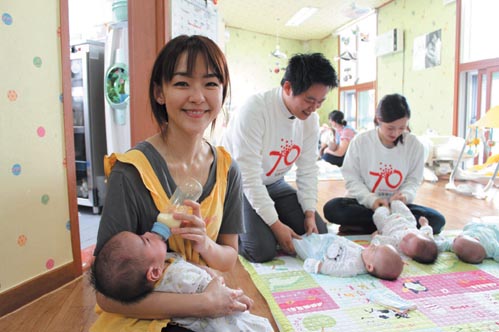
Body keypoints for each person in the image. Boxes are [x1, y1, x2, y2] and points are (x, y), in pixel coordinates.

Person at [91, 35, 251, 332]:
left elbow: (229, 258)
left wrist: (205, 244)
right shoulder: (131, 173)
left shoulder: (228, 170)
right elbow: (107, 295)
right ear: (159, 93)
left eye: (211, 84)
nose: (198, 96)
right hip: (146, 314)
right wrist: (204, 304)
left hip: (202, 293)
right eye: (182, 83)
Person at [220, 53, 338, 263]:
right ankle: (226, 223)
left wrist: (309, 212)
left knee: (318, 231)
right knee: (261, 250)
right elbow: (248, 178)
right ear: (287, 88)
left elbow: (308, 169)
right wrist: (275, 224)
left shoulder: (310, 120)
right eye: (309, 99)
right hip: (238, 185)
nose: (314, 108)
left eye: (320, 102)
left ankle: (266, 220)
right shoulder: (254, 111)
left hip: (274, 183)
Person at [91, 230, 273, 332]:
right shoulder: (177, 278)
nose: (148, 232)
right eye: (146, 240)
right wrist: (233, 294)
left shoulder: (159, 265)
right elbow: (212, 289)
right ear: (154, 272)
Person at [323, 93, 446, 235]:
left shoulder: (414, 145)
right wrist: (372, 201)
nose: (396, 133)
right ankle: (392, 225)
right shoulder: (361, 141)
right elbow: (352, 179)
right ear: (378, 120)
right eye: (391, 128)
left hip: (396, 207)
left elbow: (413, 180)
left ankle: (371, 226)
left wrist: (404, 196)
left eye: (402, 128)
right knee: (333, 209)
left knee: (437, 220)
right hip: (364, 205)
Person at [292, 233, 403, 280]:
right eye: (376, 245)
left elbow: (337, 269)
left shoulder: (354, 267)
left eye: (374, 249)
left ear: (369, 267)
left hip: (319, 252)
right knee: (306, 234)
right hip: (328, 240)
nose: (373, 245)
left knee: (296, 244)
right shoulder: (365, 254)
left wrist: (320, 266)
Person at [372, 200, 438, 264]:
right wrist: (424, 224)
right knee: (401, 207)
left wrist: (375, 237)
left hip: (387, 223)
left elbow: (378, 242)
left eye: (406, 243)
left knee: (378, 215)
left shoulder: (395, 246)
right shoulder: (423, 236)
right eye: (412, 236)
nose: (406, 237)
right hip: (407, 220)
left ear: (409, 256)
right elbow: (427, 231)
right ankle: (394, 201)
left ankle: (384, 207)